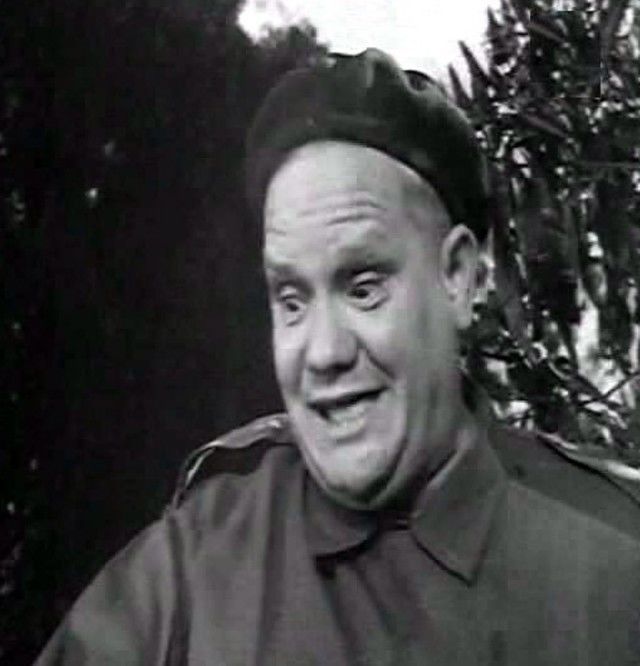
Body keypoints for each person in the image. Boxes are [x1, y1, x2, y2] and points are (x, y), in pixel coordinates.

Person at [35, 48, 640, 666]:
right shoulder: (189, 572)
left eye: (363, 288)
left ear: (458, 277)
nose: (323, 353)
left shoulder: (616, 563)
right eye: (291, 299)